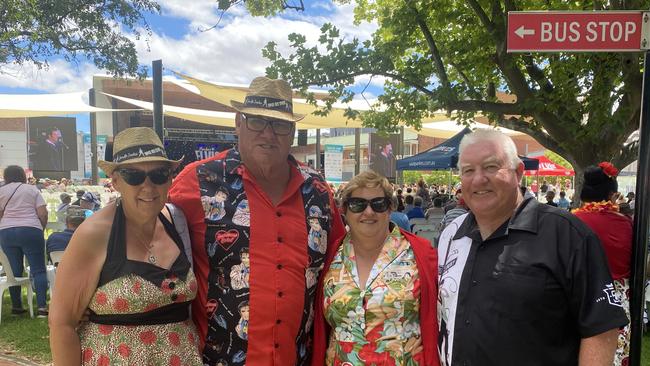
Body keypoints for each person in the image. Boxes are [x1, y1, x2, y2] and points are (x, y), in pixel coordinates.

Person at [168, 76, 345, 365]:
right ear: (238, 122)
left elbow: (341, 265)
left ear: (292, 131)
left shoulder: (318, 191)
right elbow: (148, 238)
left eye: (279, 123)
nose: (268, 133)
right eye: (257, 121)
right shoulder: (197, 182)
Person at [437, 129, 627, 366]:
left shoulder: (567, 234)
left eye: (491, 167)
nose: (478, 179)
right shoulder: (451, 234)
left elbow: (601, 329)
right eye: (468, 170)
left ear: (518, 173)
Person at [49, 127, 202, 365]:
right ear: (116, 181)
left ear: (171, 178)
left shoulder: (177, 222)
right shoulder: (95, 234)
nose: (148, 186)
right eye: (134, 175)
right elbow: (62, 324)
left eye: (159, 174)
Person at [312, 171, 439, 365]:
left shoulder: (420, 253)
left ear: (390, 208)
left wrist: (430, 345)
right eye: (358, 204)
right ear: (344, 210)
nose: (369, 212)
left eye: (378, 204)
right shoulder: (330, 256)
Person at [573, 162, 633, 366]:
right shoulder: (626, 223)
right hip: (616, 298)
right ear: (612, 195)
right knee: (615, 355)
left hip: (579, 296)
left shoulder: (569, 221)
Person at [0, 165, 49, 317]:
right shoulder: (32, 189)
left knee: (13, 270)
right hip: (31, 229)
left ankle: (17, 306)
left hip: (7, 231)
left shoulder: (1, 191)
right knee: (38, 269)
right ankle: (41, 307)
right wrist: (40, 228)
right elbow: (43, 213)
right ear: (22, 175)